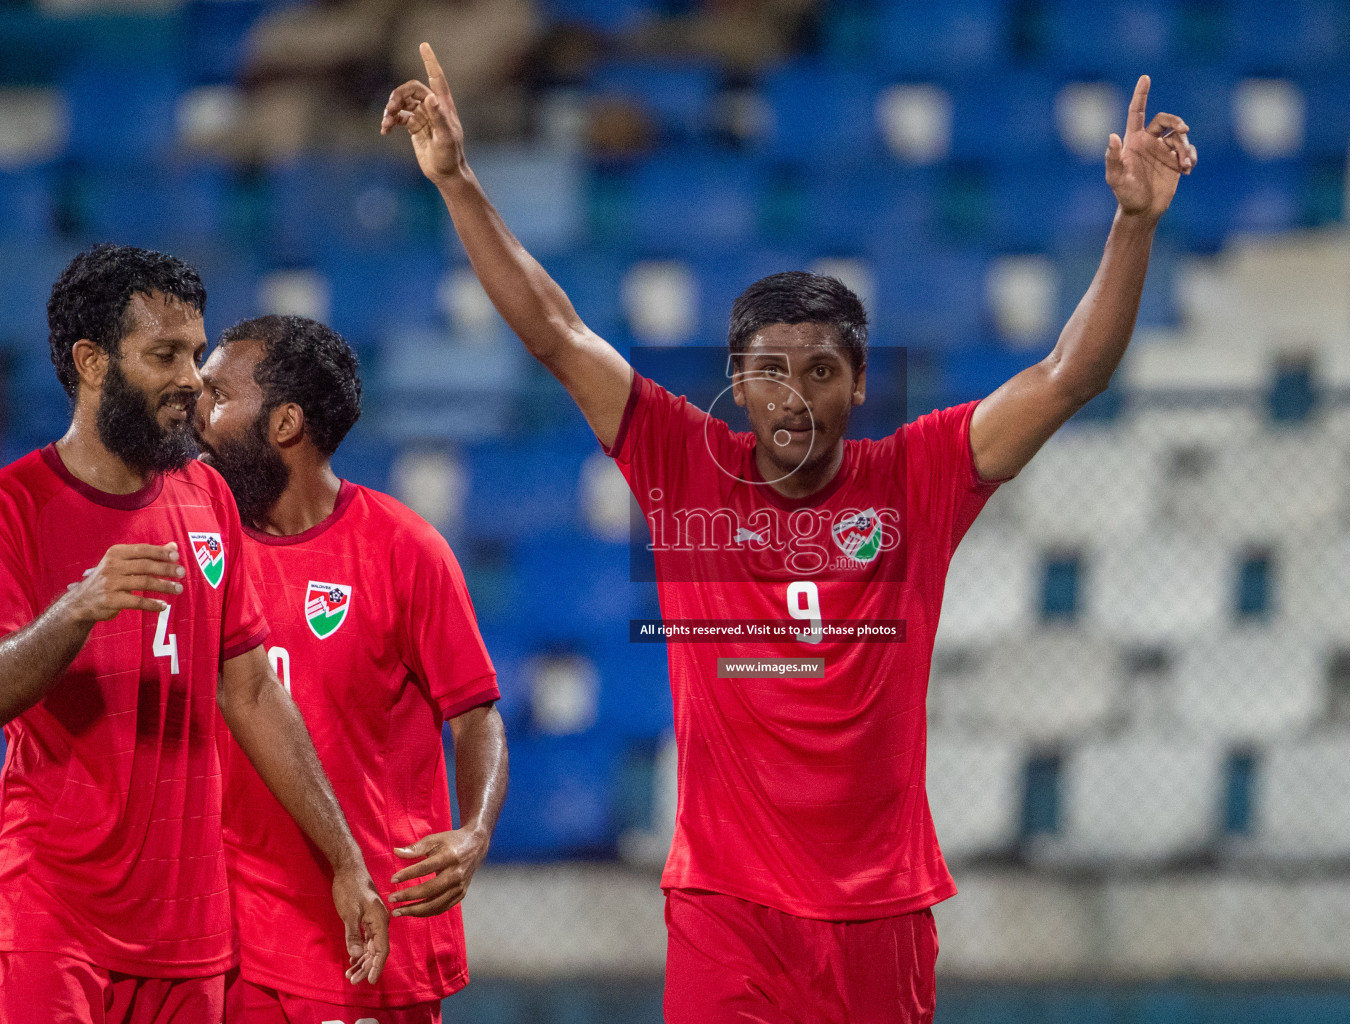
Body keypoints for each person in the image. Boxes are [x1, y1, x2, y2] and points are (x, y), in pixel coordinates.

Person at [384, 44, 1195, 1022]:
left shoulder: (919, 474)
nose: (794, 392)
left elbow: (1070, 375)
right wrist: (461, 182)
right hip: (727, 909)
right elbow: (555, 331)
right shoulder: (682, 462)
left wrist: (1133, 225)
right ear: (737, 380)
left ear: (859, 383)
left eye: (821, 370)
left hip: (880, 912)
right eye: (770, 368)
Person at [0, 244, 389, 1023]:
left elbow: (248, 688)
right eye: (164, 354)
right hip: (53, 918)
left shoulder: (206, 495)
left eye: (193, 351)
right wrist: (78, 609)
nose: (191, 379)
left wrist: (344, 857)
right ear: (93, 363)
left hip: (190, 934)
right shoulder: (19, 505)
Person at [195, 314, 507, 1024]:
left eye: (216, 396)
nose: (196, 413)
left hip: (363, 940)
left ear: (284, 425)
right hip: (229, 937)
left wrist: (475, 830)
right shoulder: (197, 544)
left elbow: (476, 715)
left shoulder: (405, 550)